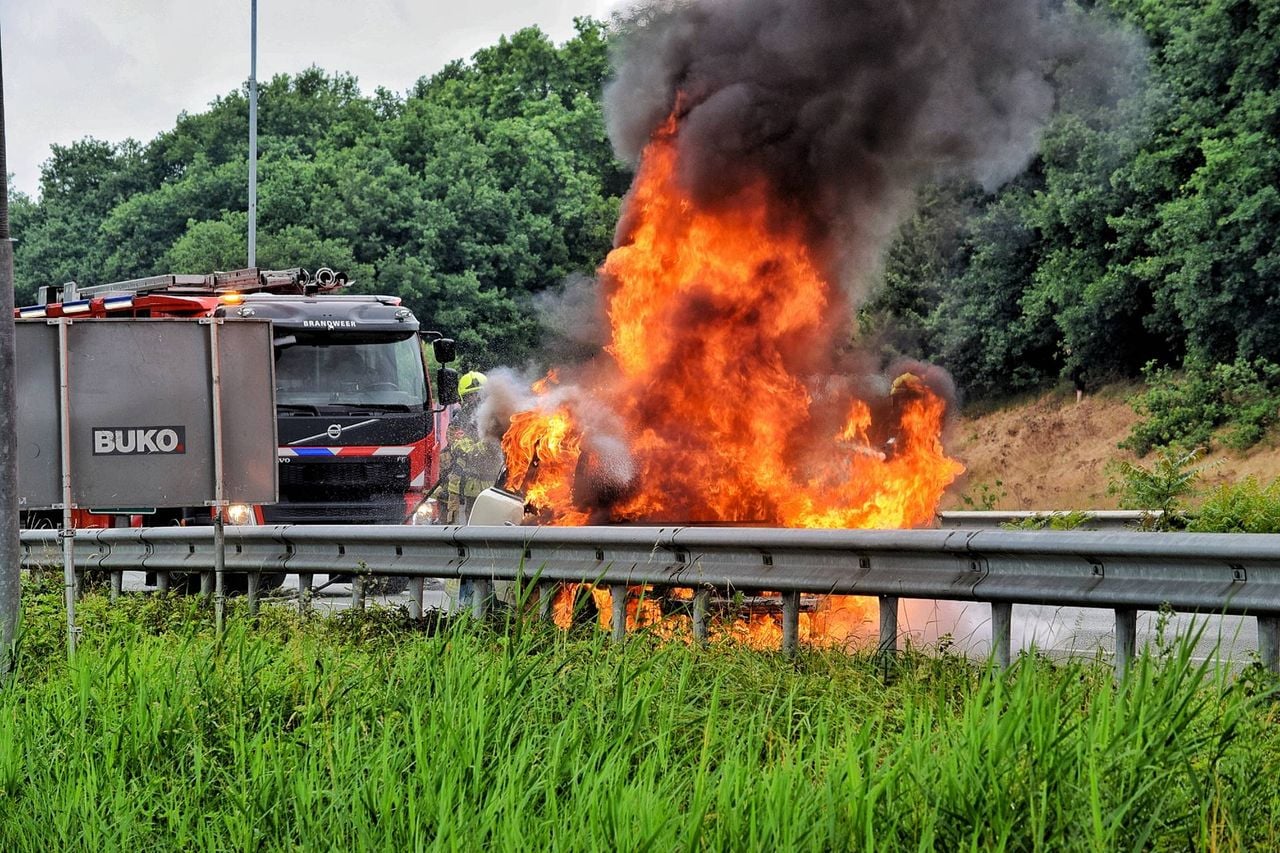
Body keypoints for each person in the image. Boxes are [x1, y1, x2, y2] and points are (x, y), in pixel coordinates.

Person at [440, 371, 502, 524]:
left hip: (491, 490)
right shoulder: (458, 424)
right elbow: (466, 451)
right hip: (463, 492)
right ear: (462, 400)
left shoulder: (497, 419)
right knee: (460, 533)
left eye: (480, 396)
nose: (476, 401)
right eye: (471, 396)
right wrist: (489, 440)